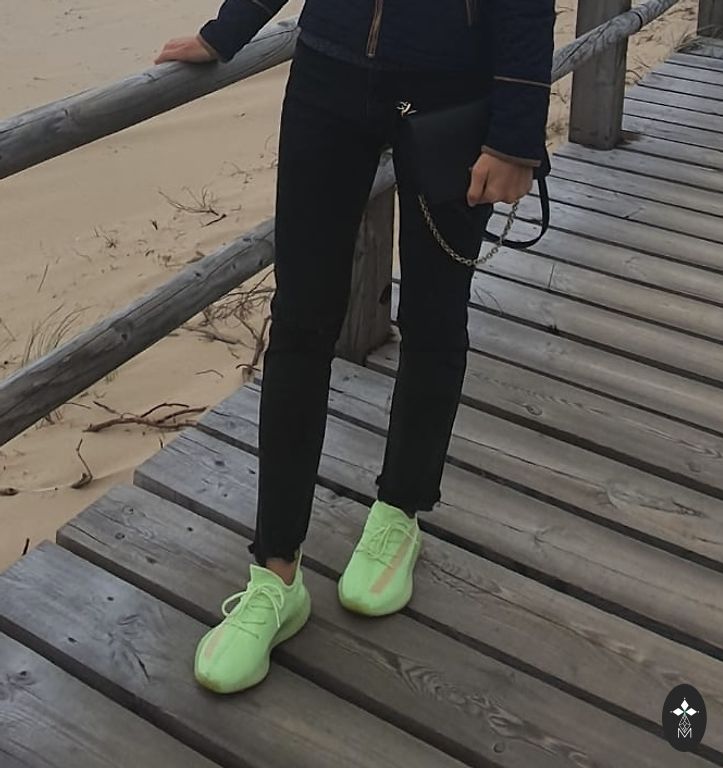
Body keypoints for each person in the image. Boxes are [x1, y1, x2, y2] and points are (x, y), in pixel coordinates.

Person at [156, 0, 554, 694]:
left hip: (451, 88)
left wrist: (514, 138)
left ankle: (399, 511)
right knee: (299, 322)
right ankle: (275, 575)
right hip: (328, 77)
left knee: (434, 316)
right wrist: (225, 32)